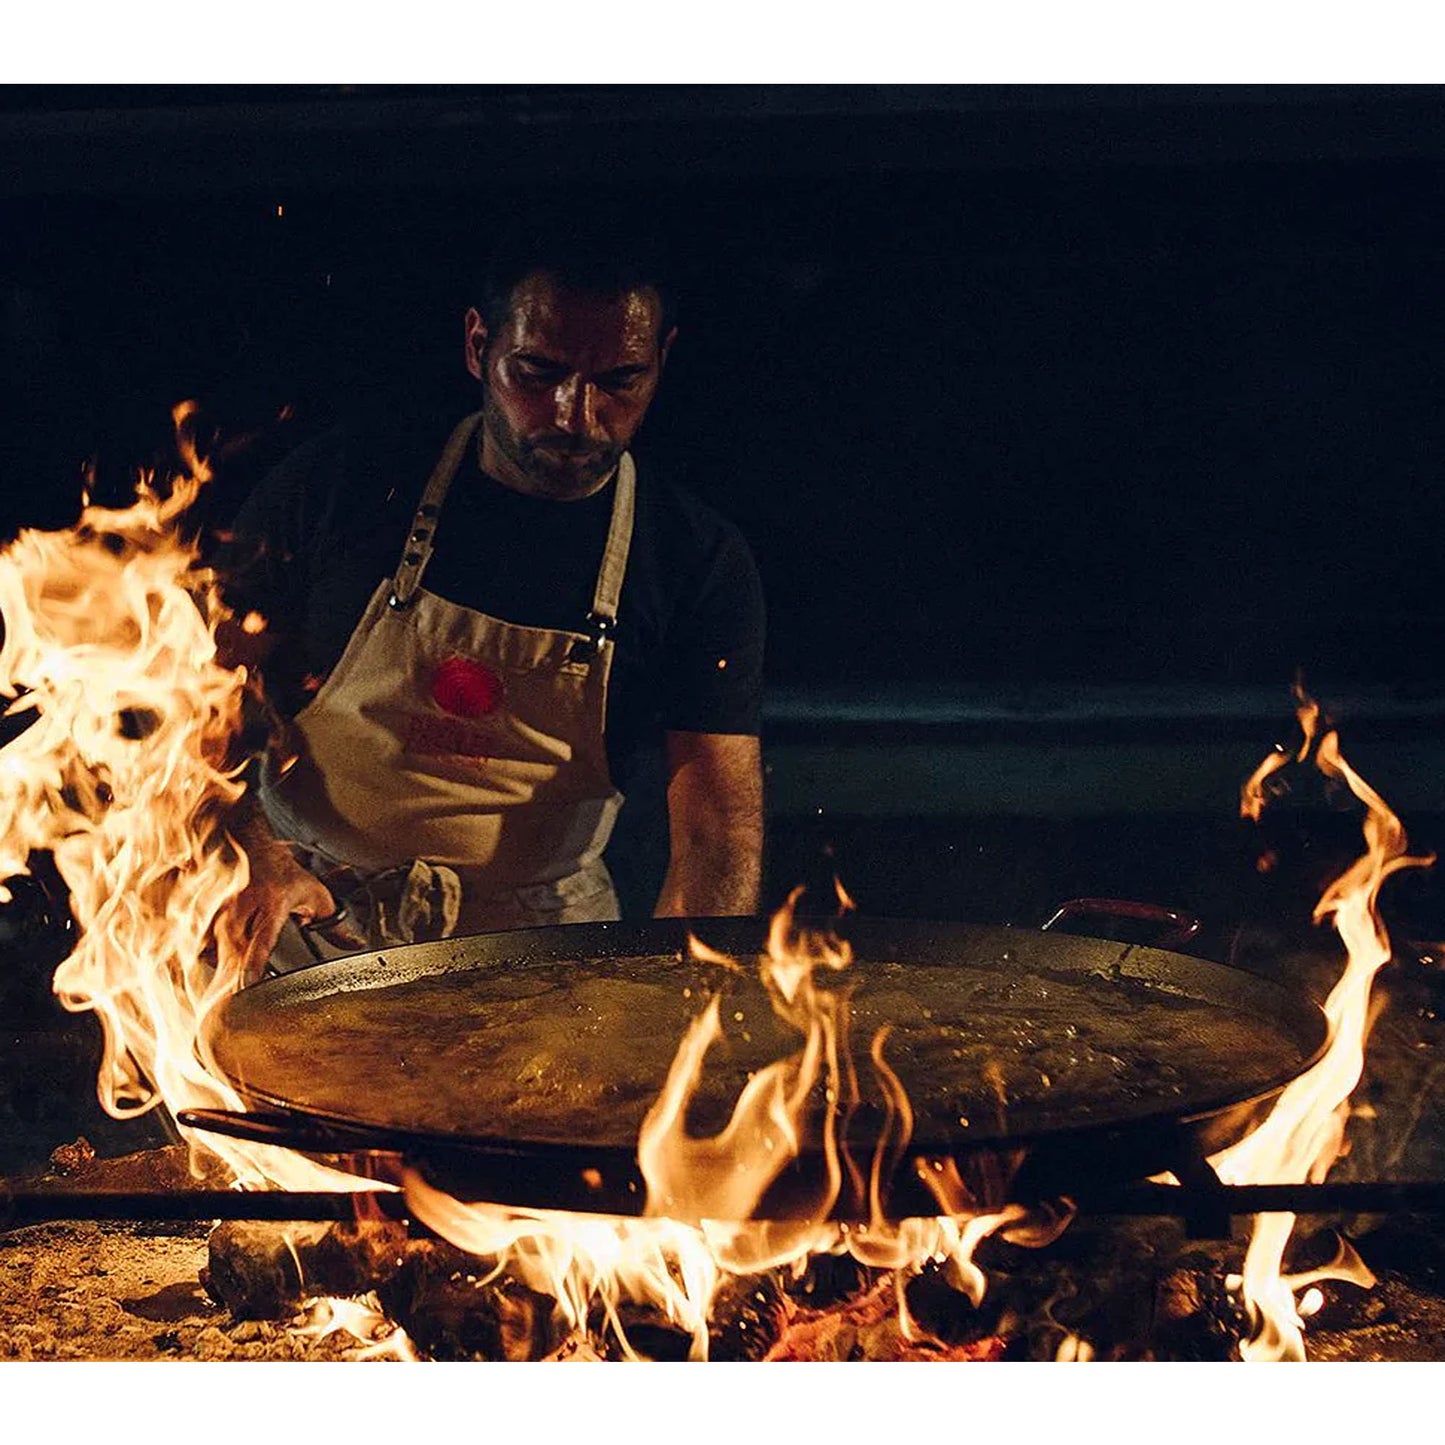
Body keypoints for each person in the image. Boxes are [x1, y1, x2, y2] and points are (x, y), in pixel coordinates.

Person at [216, 214, 765, 982]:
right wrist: (248, 848)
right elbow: (195, 688)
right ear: (479, 346)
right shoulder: (342, 485)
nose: (575, 415)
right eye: (536, 374)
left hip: (540, 943)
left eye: (618, 381)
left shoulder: (696, 560)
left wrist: (683, 1000)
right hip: (299, 912)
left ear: (661, 360)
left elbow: (715, 829)